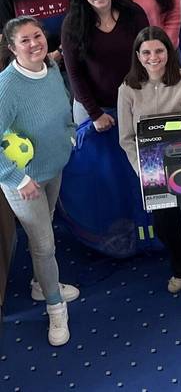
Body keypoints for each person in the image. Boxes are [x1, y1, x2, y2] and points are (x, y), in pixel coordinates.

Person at [117, 27, 181, 312]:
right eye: (147, 52)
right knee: (164, 227)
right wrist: (143, 172)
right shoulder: (127, 89)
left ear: (169, 52)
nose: (153, 58)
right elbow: (126, 138)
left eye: (159, 51)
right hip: (152, 168)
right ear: (138, 55)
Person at [0, 17, 77, 345]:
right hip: (23, 182)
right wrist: (17, 179)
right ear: (12, 48)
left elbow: (62, 107)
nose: (34, 44)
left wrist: (70, 135)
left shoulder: (50, 70)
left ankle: (39, 283)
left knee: (46, 235)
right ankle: (54, 307)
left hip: (53, 168)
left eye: (37, 36)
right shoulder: (6, 87)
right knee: (44, 245)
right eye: (24, 41)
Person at [60, 0, 148, 128]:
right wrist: (95, 114)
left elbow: (148, 55)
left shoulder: (133, 13)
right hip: (92, 108)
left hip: (134, 101)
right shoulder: (72, 24)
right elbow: (74, 73)